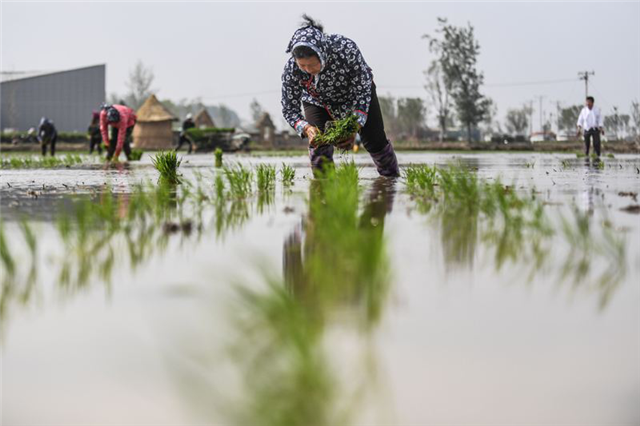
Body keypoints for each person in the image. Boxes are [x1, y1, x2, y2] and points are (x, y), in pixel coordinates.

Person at [281, 15, 399, 177]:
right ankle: (323, 190)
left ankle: (390, 180)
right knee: (319, 144)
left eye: (313, 64)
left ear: (322, 54)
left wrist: (353, 128)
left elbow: (362, 89)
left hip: (356, 97)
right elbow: (289, 109)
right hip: (316, 101)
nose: (308, 70)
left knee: (375, 141)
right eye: (303, 65)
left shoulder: (346, 50)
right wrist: (307, 128)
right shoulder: (292, 69)